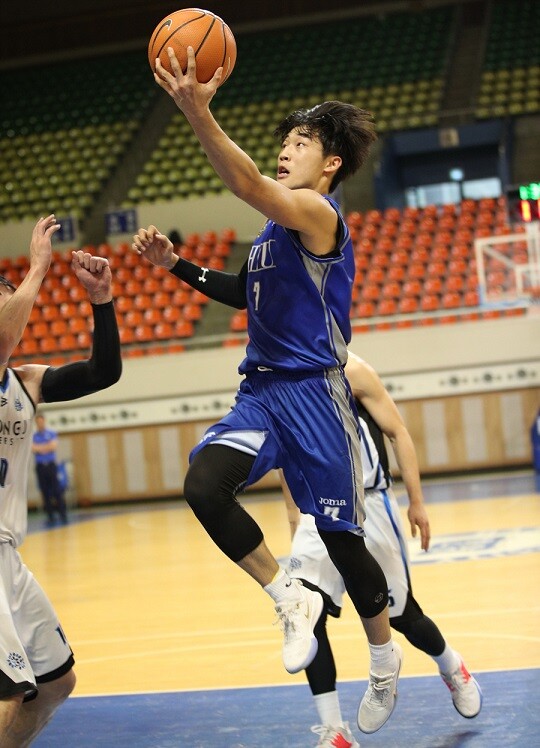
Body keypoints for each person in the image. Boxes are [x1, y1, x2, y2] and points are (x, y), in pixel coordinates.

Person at [133, 46, 402, 734]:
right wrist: (178, 266)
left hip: (316, 397)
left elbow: (248, 183)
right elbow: (243, 291)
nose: (286, 150)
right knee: (203, 485)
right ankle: (286, 594)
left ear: (330, 164)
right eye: (285, 142)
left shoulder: (318, 215)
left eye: (301, 143)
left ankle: (383, 658)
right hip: (262, 394)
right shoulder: (273, 234)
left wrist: (198, 112)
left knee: (343, 542)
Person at [281, 351, 482, 746]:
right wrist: (293, 519)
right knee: (305, 614)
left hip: (369, 504)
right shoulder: (281, 375)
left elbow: (398, 432)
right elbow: (287, 454)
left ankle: (451, 666)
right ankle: (335, 730)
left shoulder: (353, 370)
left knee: (401, 616)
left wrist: (417, 501)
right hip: (317, 511)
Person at [0, 215, 122, 747]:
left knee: (56, 683)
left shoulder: (24, 383)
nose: (13, 301)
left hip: (8, 557)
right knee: (7, 691)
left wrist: (101, 301)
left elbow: (103, 372)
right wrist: (38, 267)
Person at [32, 413, 69, 526]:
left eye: (41, 421)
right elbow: (33, 448)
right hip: (40, 466)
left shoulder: (51, 433)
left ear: (44, 421)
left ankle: (63, 515)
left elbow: (53, 446)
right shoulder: (33, 435)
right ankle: (50, 516)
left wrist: (40, 448)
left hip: (51, 465)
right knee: (45, 491)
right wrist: (45, 447)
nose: (40, 423)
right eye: (38, 422)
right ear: (36, 423)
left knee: (57, 490)